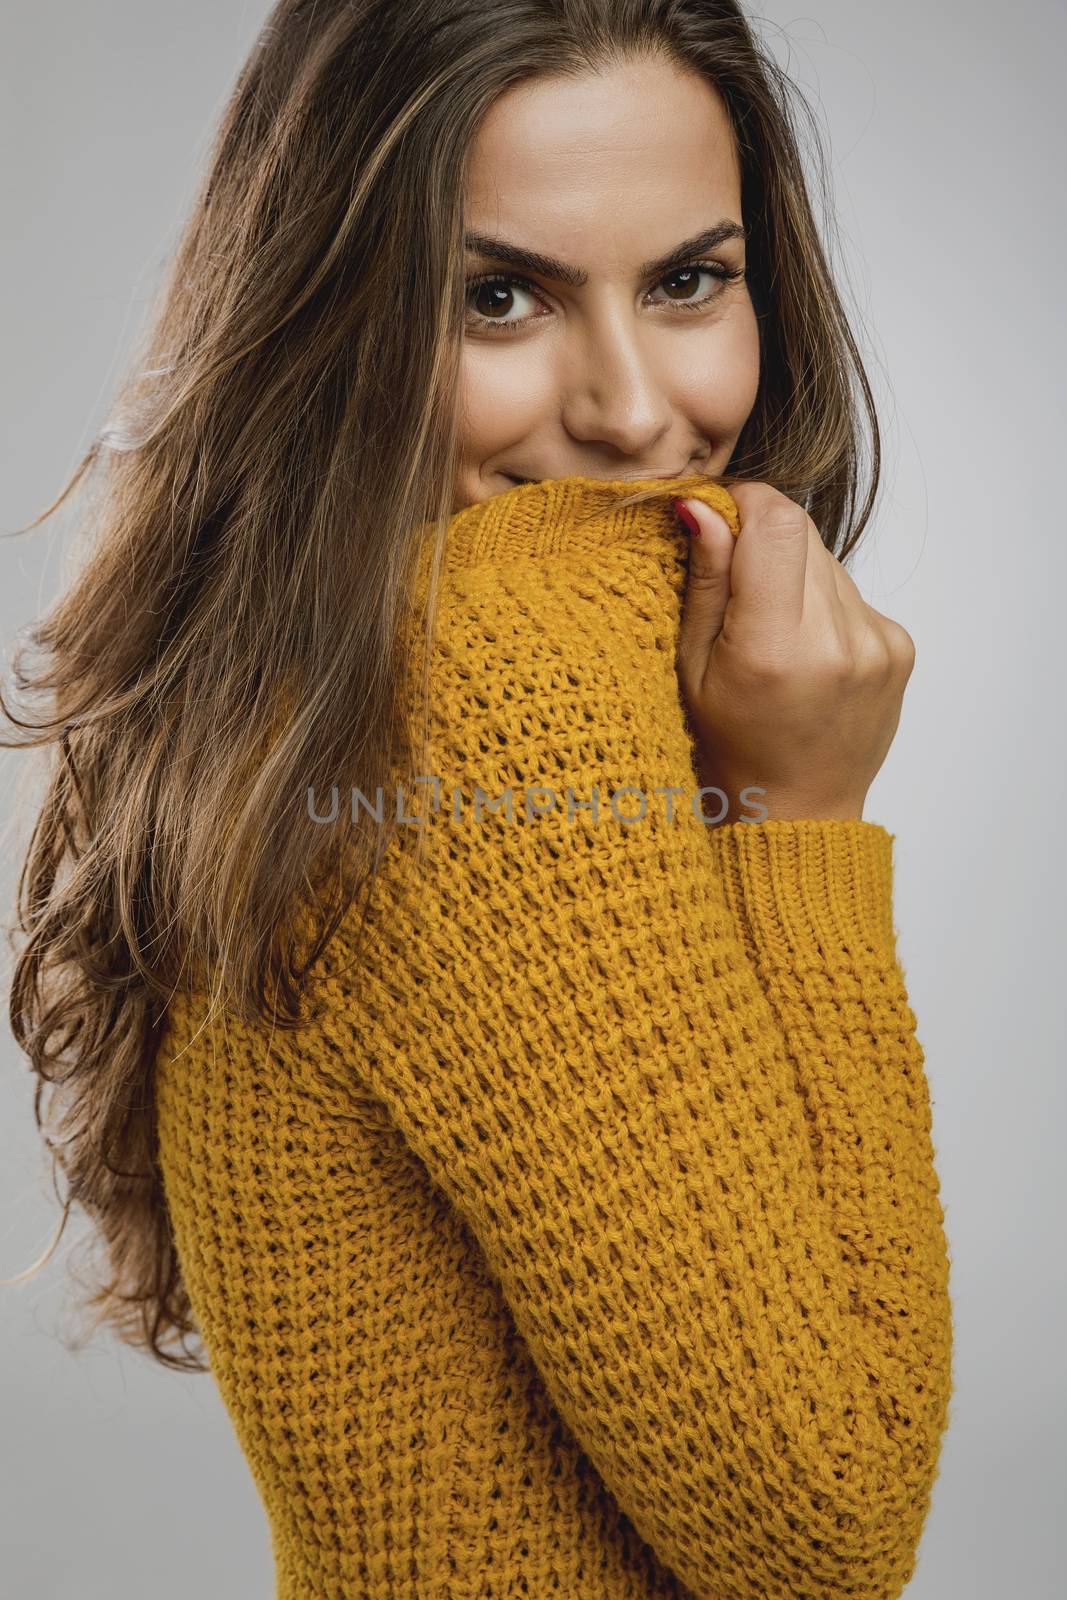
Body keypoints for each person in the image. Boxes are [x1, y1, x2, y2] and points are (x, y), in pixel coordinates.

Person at [2, 3, 953, 1597]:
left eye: (689, 281)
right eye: (497, 299)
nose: (634, 411)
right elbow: (823, 1539)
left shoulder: (319, 669)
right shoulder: (498, 683)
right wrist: (804, 830)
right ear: (324, 314)